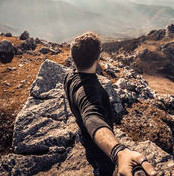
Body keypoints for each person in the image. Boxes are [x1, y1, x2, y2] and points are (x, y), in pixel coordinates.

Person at [64, 32, 157, 176]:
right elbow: (92, 118)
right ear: (98, 57)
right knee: (105, 169)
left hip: (86, 139)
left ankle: (96, 169)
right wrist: (118, 151)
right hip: (101, 150)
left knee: (94, 161)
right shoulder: (90, 91)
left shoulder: (69, 77)